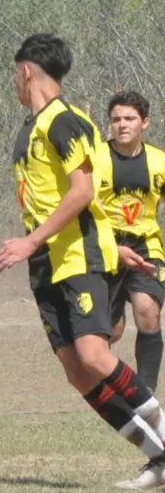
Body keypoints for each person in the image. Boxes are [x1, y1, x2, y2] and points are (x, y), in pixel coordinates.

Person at [0, 34, 165, 490]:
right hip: (46, 263)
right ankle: (158, 459)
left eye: (15, 74)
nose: (14, 82)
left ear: (26, 71)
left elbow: (83, 192)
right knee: (77, 371)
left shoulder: (64, 121)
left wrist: (30, 241)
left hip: (76, 255)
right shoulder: (30, 128)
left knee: (95, 354)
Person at [94, 90, 165, 391]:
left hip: (145, 247)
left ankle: (146, 394)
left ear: (145, 122)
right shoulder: (94, 159)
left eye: (129, 118)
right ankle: (107, 392)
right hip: (103, 246)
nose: (122, 124)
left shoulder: (159, 162)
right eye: (116, 119)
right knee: (112, 330)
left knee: (148, 312)